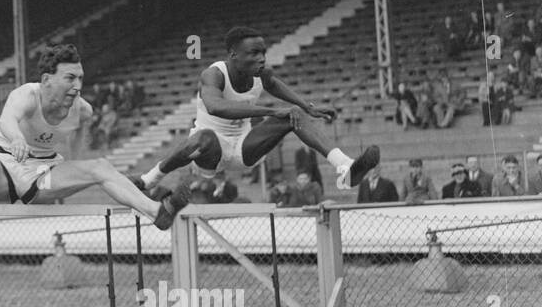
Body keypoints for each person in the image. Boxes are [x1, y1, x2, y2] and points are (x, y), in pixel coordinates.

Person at [0, 43, 190, 229]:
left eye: (80, 78)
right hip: (4, 164)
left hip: (42, 171)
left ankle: (157, 212)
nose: (78, 86)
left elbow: (78, 147)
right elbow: (7, 119)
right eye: (70, 78)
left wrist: (77, 171)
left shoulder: (82, 111)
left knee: (100, 167)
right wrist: (18, 138)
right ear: (47, 80)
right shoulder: (26, 95)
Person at [129, 26, 378, 198]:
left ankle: (344, 168)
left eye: (263, 53)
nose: (261, 59)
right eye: (254, 54)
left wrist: (308, 107)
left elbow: (275, 85)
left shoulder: (262, 74)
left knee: (292, 113)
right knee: (203, 137)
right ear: (233, 55)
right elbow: (217, 107)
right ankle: (150, 178)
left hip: (244, 149)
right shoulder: (213, 74)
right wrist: (269, 110)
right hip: (209, 152)